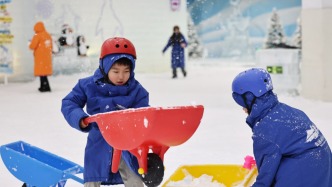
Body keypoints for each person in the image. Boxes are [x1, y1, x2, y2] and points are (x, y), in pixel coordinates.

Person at [61, 37, 149, 187]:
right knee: (92, 177)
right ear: (104, 67)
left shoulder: (137, 90)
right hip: (99, 142)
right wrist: (80, 118)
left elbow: (144, 115)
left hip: (127, 145)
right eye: (115, 71)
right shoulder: (88, 85)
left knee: (135, 178)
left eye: (126, 71)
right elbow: (69, 103)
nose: (121, 76)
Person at [231, 68, 332, 187]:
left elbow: (265, 180)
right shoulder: (289, 111)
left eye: (242, 102)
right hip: (324, 176)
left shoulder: (265, 130)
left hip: (305, 178)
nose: (243, 108)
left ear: (250, 97)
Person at [29, 21, 53, 92]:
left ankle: (44, 87)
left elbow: (32, 46)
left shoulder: (38, 35)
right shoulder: (47, 35)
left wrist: (29, 44)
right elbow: (50, 46)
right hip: (47, 56)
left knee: (41, 72)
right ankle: (45, 86)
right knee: (44, 72)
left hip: (40, 57)